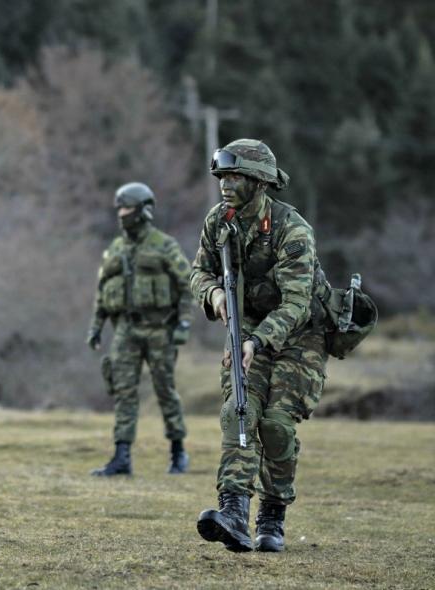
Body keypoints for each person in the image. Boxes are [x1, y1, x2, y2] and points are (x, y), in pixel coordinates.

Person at [190, 138, 327, 553]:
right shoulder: (219, 221)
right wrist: (213, 296)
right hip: (245, 331)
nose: (225, 184)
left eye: (235, 176)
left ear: (258, 181)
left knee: (276, 425)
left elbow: (299, 302)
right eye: (222, 177)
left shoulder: (292, 228)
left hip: (298, 337)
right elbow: (200, 272)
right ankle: (232, 512)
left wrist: (258, 339)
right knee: (239, 411)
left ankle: (272, 514)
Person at [86, 182, 193, 477]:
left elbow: (188, 286)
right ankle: (121, 458)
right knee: (123, 392)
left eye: (127, 208)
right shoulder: (116, 249)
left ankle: (178, 452)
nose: (121, 214)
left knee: (164, 391)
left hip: (160, 329)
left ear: (144, 210)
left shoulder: (164, 245)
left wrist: (183, 323)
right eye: (119, 208)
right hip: (125, 331)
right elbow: (103, 291)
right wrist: (96, 327)